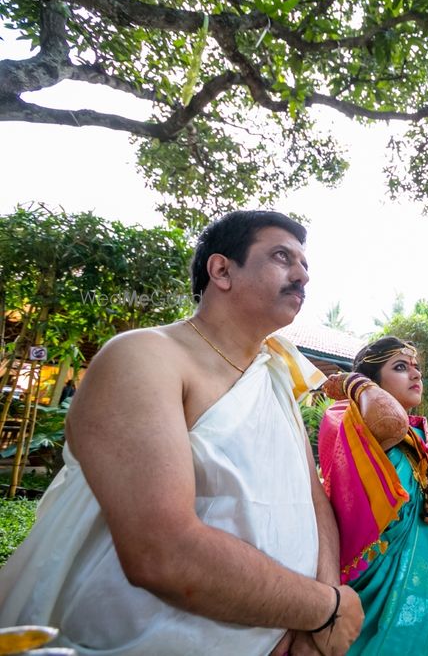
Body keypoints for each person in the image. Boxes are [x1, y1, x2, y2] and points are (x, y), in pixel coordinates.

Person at [0, 211, 362, 655]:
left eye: (306, 267)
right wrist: (322, 608)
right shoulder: (146, 357)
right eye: (283, 257)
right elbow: (163, 553)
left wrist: (322, 623)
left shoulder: (275, 383)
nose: (301, 276)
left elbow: (313, 499)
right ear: (222, 270)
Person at [318, 337, 428, 655]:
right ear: (371, 382)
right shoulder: (349, 420)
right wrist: (355, 383)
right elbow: (389, 423)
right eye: (400, 367)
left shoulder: (419, 440)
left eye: (416, 368)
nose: (416, 374)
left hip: (427, 597)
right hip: (372, 596)